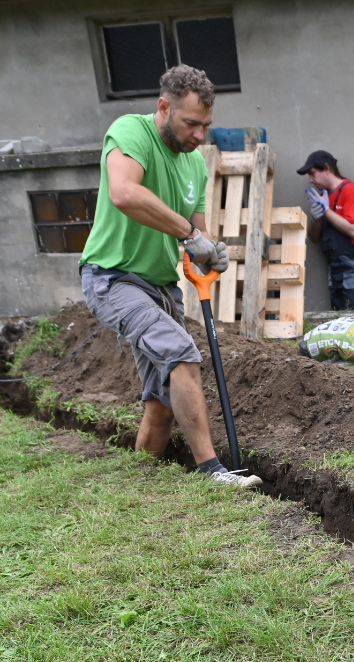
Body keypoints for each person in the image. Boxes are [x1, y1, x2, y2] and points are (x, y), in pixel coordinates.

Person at [79, 65, 258, 489]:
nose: (199, 135)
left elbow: (194, 227)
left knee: (162, 401)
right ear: (164, 107)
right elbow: (125, 194)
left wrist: (209, 251)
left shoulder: (195, 164)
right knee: (181, 353)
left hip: (161, 287)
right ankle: (213, 472)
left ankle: (143, 480)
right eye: (191, 123)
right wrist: (191, 234)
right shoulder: (130, 132)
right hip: (113, 278)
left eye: (206, 126)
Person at [297, 150, 354, 310]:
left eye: (313, 173)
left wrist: (326, 210)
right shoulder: (324, 197)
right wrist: (315, 219)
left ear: (327, 168)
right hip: (335, 267)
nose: (311, 180)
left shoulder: (351, 191)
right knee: (338, 318)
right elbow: (314, 238)